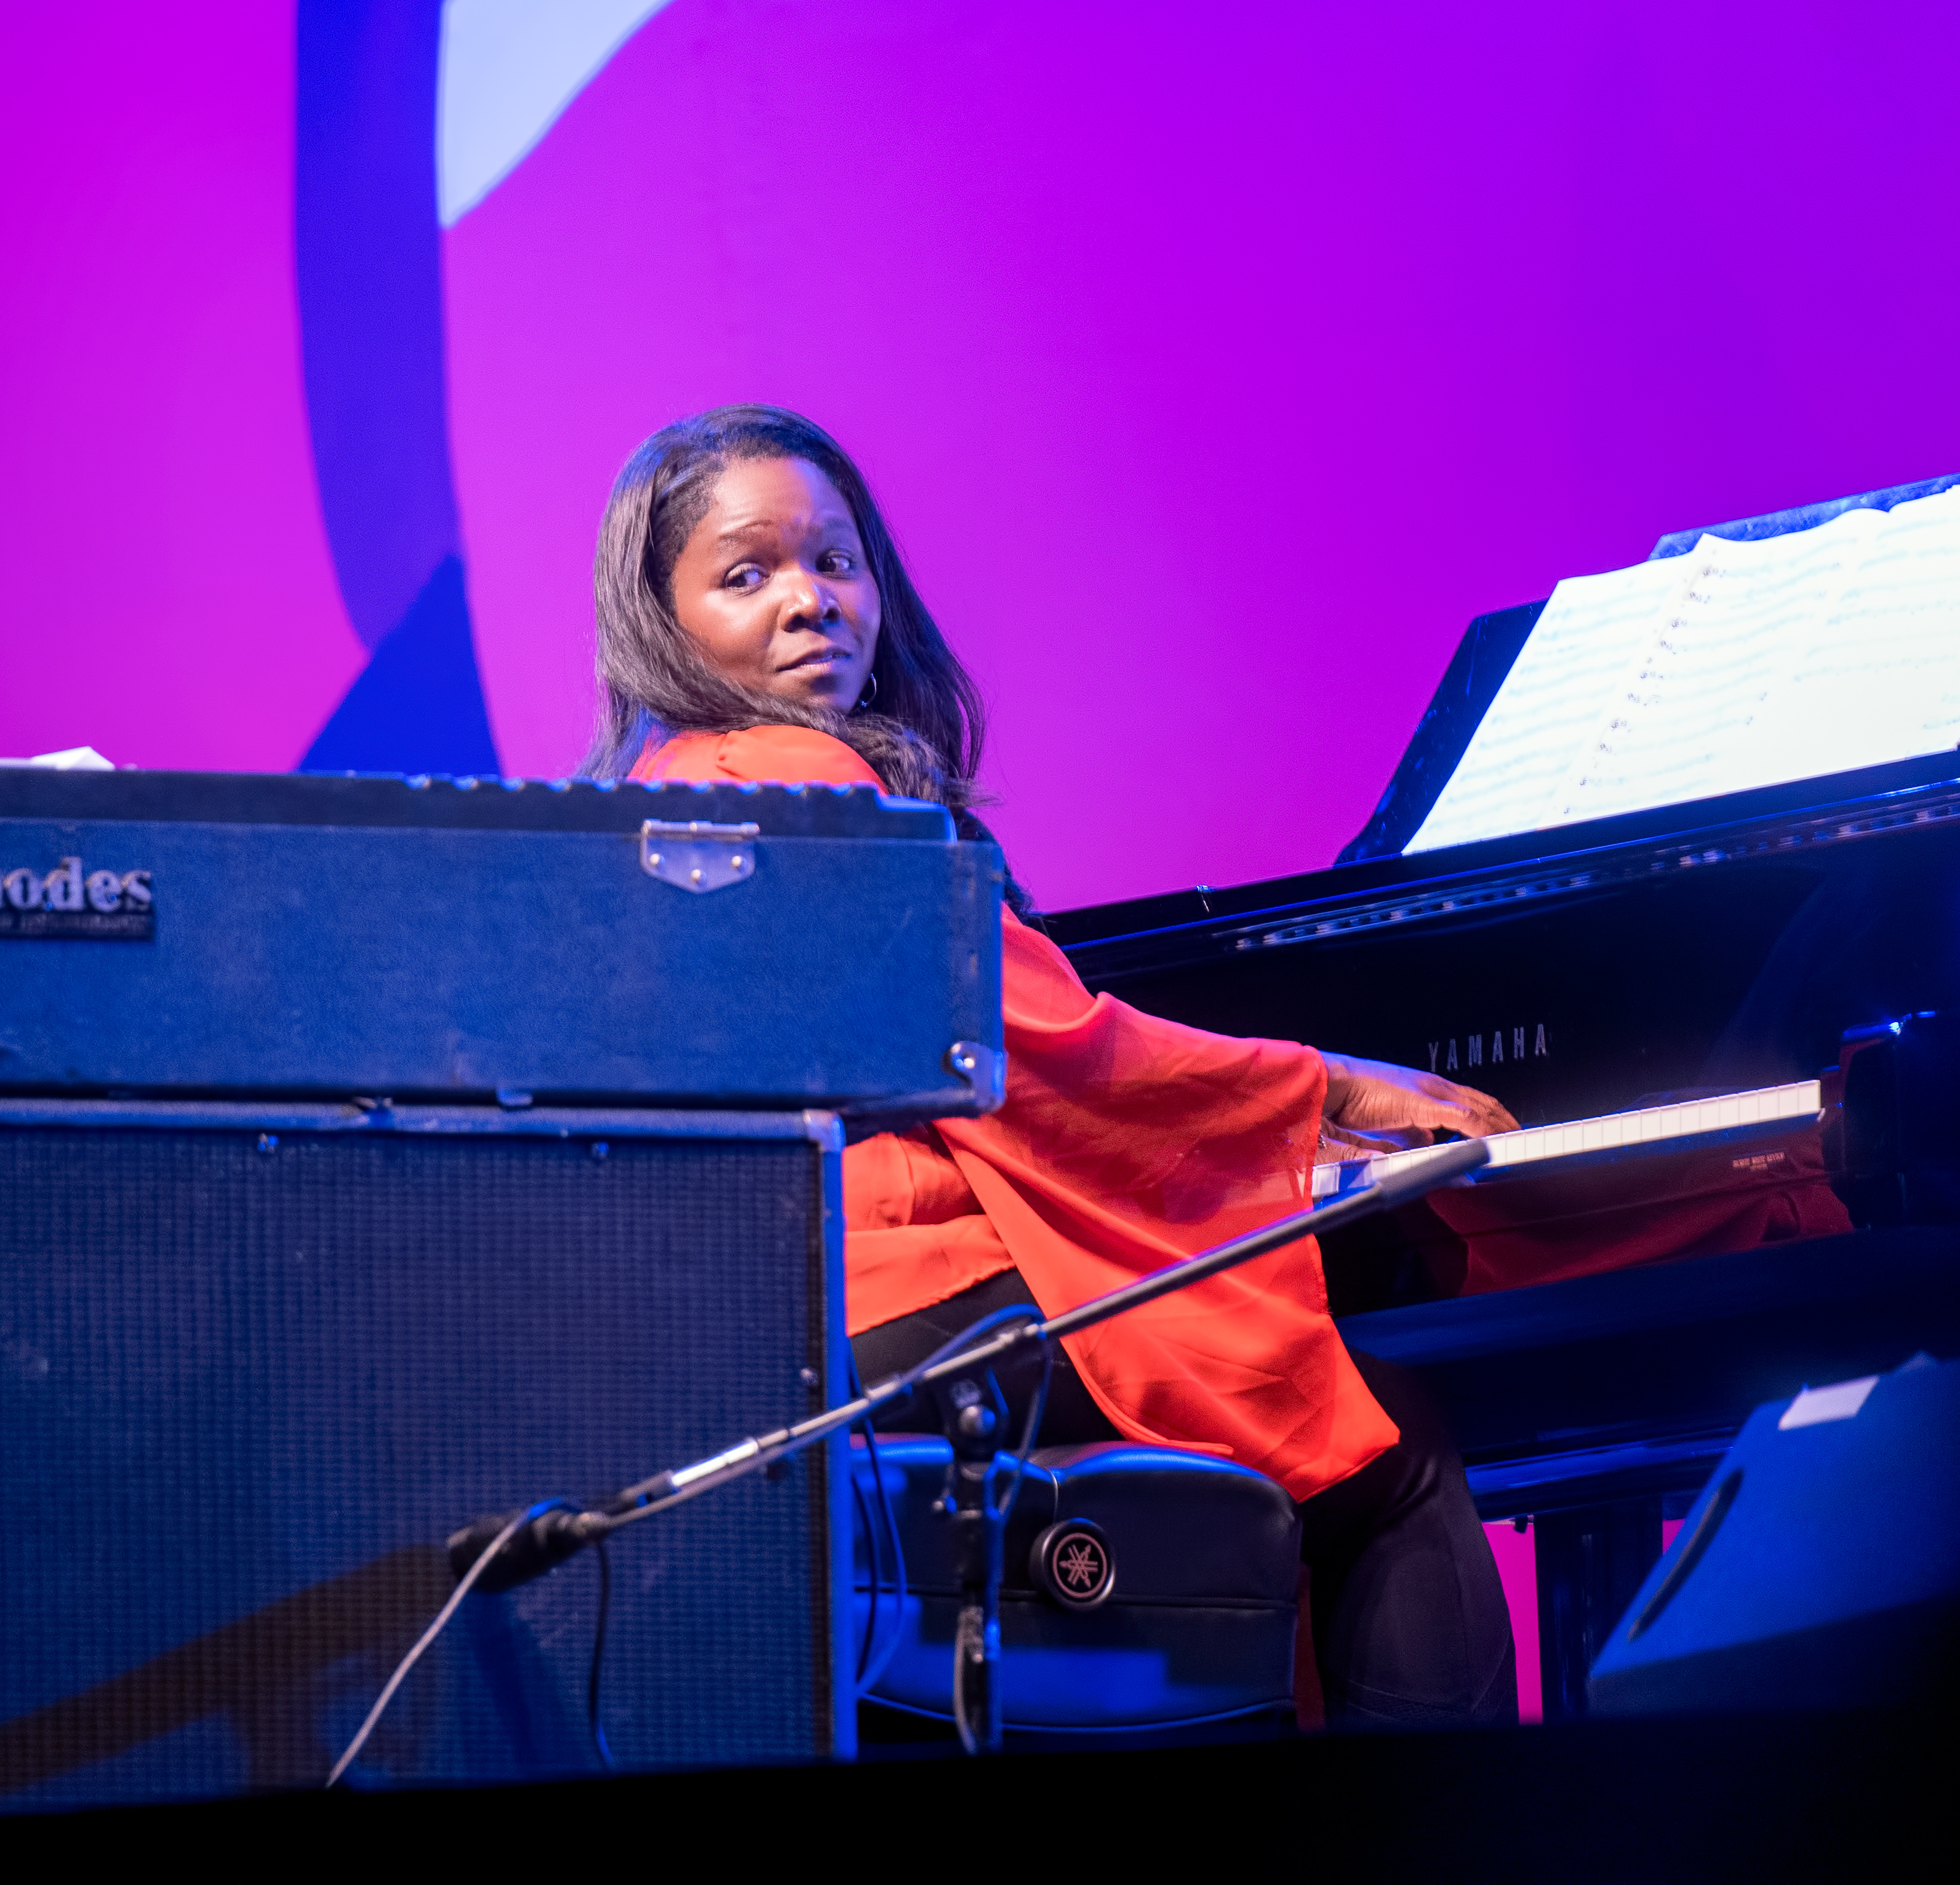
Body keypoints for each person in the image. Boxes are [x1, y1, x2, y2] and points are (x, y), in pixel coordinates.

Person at [584, 404, 1521, 1728]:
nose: (807, 601)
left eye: (835, 561)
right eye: (746, 575)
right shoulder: (793, 772)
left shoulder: (671, 786)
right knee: (1386, 1433)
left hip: (774, 1316)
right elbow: (1043, 1048)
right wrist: (1322, 1087)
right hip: (876, 1307)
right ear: (663, 621)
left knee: (1301, 1365)